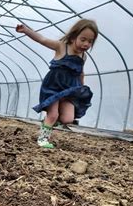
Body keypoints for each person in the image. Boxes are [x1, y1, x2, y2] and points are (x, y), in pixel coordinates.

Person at [16, 19, 98, 148]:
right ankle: (43, 139)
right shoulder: (61, 46)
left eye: (90, 41)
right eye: (83, 39)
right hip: (53, 86)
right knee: (53, 114)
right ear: (73, 36)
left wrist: (81, 88)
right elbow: (41, 39)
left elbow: (81, 72)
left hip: (70, 88)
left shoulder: (83, 56)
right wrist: (26, 30)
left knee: (67, 119)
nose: (86, 44)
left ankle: (48, 122)